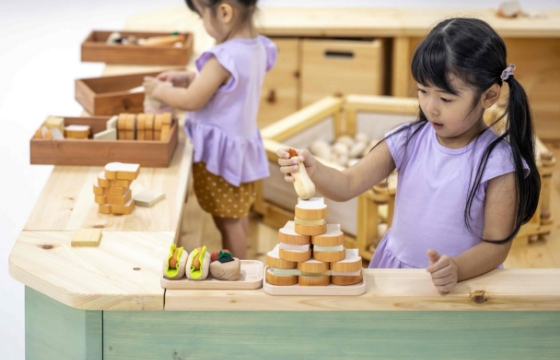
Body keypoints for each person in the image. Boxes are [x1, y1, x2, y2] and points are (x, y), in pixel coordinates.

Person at [277, 18, 540, 294]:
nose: (430, 108)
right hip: (395, 274)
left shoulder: (499, 163)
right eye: (423, 91)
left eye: (446, 99)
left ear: (489, 96)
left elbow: (496, 246)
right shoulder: (408, 139)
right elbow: (348, 184)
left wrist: (457, 269)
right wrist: (313, 168)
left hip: (462, 283)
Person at [144, 0, 276, 259]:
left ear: (224, 12)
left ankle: (235, 267)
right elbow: (227, 85)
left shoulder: (223, 57)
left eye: (202, 16)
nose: (203, 24)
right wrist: (188, 78)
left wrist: (160, 90)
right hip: (243, 151)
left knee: (227, 221)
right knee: (236, 215)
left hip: (222, 159)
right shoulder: (259, 47)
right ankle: (238, 258)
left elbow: (192, 100)